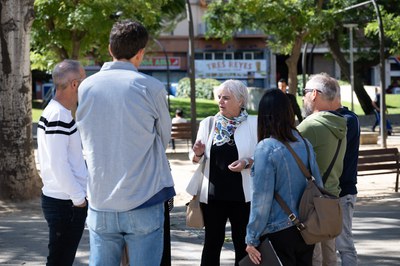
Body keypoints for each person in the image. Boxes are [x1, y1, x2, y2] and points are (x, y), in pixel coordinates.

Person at [76, 20, 175, 265]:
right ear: (140, 53)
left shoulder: (86, 86)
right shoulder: (150, 87)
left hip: (100, 199)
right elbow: (163, 137)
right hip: (143, 198)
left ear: (110, 49)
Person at [245, 89, 323, 266]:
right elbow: (318, 184)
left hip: (278, 229)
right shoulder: (304, 142)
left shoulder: (266, 147)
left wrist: (252, 237)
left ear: (264, 115)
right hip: (306, 227)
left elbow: (261, 199)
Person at [186, 79, 258, 266]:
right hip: (213, 196)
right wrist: (197, 153)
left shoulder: (253, 124)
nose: (220, 102)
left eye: (226, 98)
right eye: (219, 97)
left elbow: (262, 155)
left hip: (243, 197)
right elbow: (195, 156)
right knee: (212, 243)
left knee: (242, 244)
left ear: (241, 101)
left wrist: (247, 162)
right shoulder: (208, 123)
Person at [37, 59, 88, 266]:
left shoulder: (56, 111)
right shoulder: (58, 115)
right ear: (75, 84)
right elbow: (59, 163)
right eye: (84, 80)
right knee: (60, 261)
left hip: (62, 200)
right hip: (65, 203)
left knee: (59, 260)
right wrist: (79, 199)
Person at [298, 73, 347, 266]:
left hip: (312, 202)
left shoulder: (311, 125)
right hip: (332, 198)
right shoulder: (340, 124)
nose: (303, 97)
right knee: (330, 256)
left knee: (314, 257)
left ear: (314, 94)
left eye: (305, 92)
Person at [331, 78, 360, 266]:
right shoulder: (344, 119)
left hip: (342, 192)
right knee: (329, 245)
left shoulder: (346, 120)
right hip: (330, 192)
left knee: (344, 245)